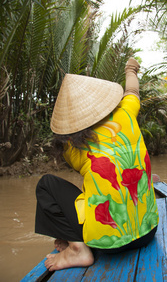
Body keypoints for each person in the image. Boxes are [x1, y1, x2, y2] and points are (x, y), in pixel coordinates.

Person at [35, 58, 159, 271]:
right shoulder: (127, 112)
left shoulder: (73, 146)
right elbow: (132, 89)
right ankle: (73, 240)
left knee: (47, 184)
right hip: (148, 232)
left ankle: (77, 248)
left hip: (107, 245)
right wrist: (131, 69)